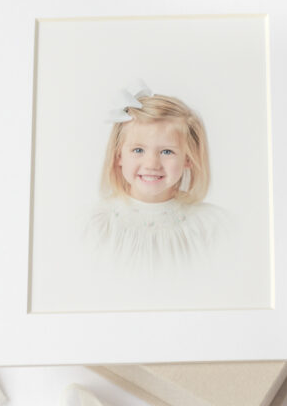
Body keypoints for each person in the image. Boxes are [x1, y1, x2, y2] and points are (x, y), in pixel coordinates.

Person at [89, 88, 227, 270]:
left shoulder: (211, 225)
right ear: (118, 155)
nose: (152, 164)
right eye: (138, 150)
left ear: (188, 158)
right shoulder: (99, 223)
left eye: (166, 151)